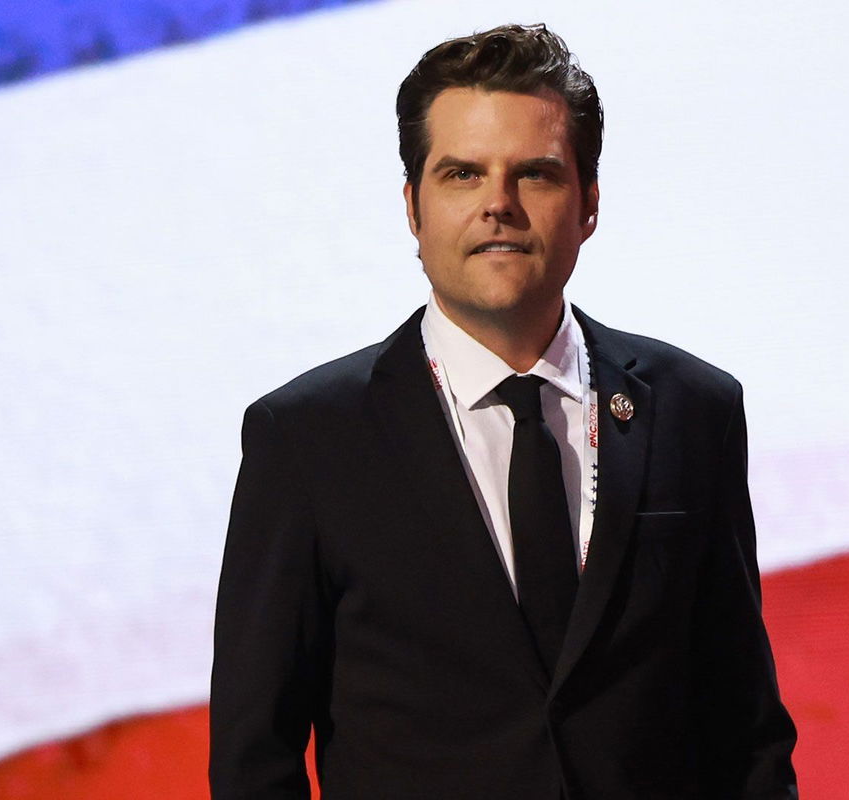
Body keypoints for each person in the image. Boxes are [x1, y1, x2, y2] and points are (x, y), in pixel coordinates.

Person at [210, 23, 798, 800]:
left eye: (536, 175)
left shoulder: (694, 410)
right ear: (413, 208)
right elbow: (257, 759)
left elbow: (743, 729)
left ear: (588, 203)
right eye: (461, 174)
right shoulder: (307, 439)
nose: (498, 205)